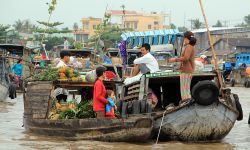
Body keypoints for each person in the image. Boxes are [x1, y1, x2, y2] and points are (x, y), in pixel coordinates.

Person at [168, 31, 196, 105]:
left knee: (184, 89)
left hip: (187, 70)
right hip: (186, 70)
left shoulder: (189, 46)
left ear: (186, 39)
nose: (183, 40)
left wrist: (175, 59)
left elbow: (186, 58)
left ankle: (186, 103)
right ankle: (186, 103)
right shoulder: (189, 46)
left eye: (184, 39)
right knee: (185, 89)